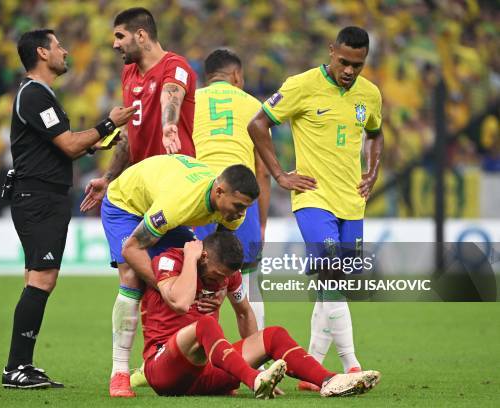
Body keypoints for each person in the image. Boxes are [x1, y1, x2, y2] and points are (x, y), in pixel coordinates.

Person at [248, 26, 384, 391]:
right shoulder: (301, 85)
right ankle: (351, 366)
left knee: (334, 282)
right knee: (329, 270)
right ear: (331, 51)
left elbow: (375, 133)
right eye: (344, 62)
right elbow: (258, 123)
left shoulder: (370, 94)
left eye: (358, 64)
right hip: (313, 198)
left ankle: (313, 370)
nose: (350, 71)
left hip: (351, 202)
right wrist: (279, 174)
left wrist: (371, 171)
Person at [1, 29, 134, 389]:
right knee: (42, 278)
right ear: (42, 53)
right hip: (38, 197)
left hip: (43, 196)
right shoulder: (34, 95)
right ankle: (16, 368)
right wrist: (109, 124)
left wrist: (99, 143)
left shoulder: (40, 95)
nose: (65, 50)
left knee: (38, 278)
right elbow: (69, 144)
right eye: (59, 45)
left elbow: (63, 147)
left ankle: (20, 366)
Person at [142, 232, 381, 398]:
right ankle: (253, 379)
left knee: (274, 335)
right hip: (164, 371)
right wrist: (191, 260)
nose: (222, 282)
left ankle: (329, 381)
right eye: (217, 275)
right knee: (205, 324)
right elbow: (181, 303)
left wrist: (259, 357)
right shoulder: (170, 260)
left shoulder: (228, 276)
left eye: (227, 277)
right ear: (203, 257)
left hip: (206, 375)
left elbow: (244, 313)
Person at [98, 154, 258, 397]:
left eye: (245, 207)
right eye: (238, 206)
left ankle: (170, 359)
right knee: (133, 277)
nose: (240, 214)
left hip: (162, 204)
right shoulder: (178, 203)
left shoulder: (234, 211)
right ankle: (119, 373)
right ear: (219, 192)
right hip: (126, 205)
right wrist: (165, 286)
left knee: (191, 269)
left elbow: (218, 254)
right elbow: (130, 248)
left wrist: (218, 290)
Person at [80, 7, 197, 212]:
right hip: (142, 184)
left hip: (174, 181)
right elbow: (129, 133)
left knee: (178, 245)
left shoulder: (175, 65)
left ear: (141, 35)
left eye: (120, 36)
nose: (115, 44)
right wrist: (108, 178)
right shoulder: (128, 72)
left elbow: (171, 95)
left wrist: (169, 125)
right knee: (131, 241)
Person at [192, 48, 270, 333]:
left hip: (199, 196)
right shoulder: (254, 106)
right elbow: (262, 171)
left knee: (199, 278)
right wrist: (260, 222)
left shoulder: (190, 101)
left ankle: (198, 357)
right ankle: (257, 362)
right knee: (248, 280)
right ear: (237, 76)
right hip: (241, 197)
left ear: (207, 77)